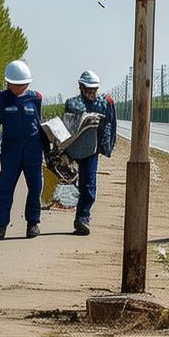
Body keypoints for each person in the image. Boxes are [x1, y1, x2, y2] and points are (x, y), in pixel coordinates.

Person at [0, 60, 48, 239]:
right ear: (8, 83)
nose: (21, 87)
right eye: (18, 85)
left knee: (35, 188)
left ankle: (33, 223)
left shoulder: (35, 98)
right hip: (10, 150)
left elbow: (40, 124)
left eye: (24, 84)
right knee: (4, 188)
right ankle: (0, 225)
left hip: (33, 150)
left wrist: (47, 150)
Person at [63, 69, 116, 236]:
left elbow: (111, 125)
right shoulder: (72, 103)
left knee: (89, 184)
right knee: (70, 180)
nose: (91, 94)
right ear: (80, 87)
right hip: (74, 148)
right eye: (88, 90)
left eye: (94, 90)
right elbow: (67, 126)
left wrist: (108, 146)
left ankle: (83, 218)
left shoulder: (105, 102)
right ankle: (76, 212)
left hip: (93, 149)